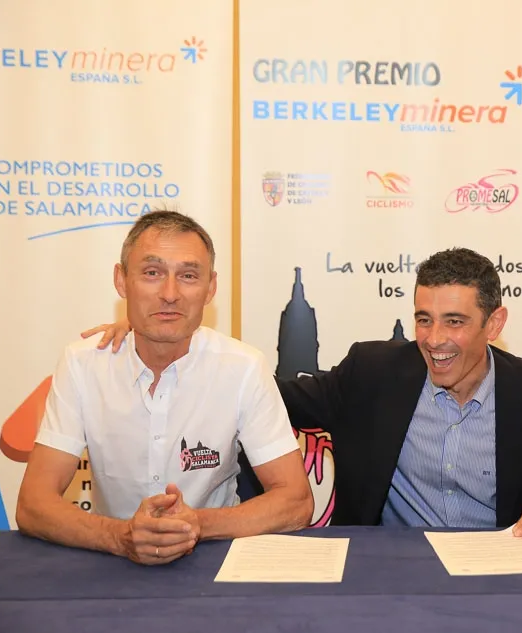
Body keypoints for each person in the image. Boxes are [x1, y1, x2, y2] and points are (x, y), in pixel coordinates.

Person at [87, 247, 522, 538]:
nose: (434, 340)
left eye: (455, 322)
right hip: (381, 576)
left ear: (495, 323)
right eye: (424, 319)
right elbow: (262, 394)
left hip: (501, 575)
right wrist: (157, 337)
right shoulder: (373, 372)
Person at [16, 210, 314, 565]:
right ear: (122, 280)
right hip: (111, 564)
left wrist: (196, 524)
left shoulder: (244, 367)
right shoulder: (83, 364)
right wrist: (120, 536)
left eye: (188, 276)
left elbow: (296, 502)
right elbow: (33, 504)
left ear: (210, 288)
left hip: (214, 561)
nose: (170, 294)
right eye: (152, 273)